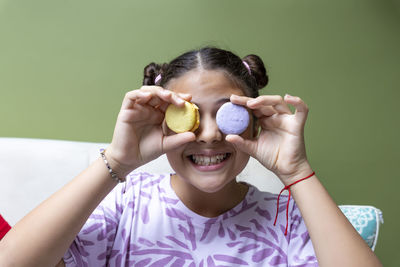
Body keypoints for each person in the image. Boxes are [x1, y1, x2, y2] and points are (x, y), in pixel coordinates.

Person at [0, 47, 381, 267]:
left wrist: (297, 172)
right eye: (191, 114)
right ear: (163, 123)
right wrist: (117, 161)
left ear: (254, 123)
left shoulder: (288, 218)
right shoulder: (127, 203)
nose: (211, 133)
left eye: (227, 112)